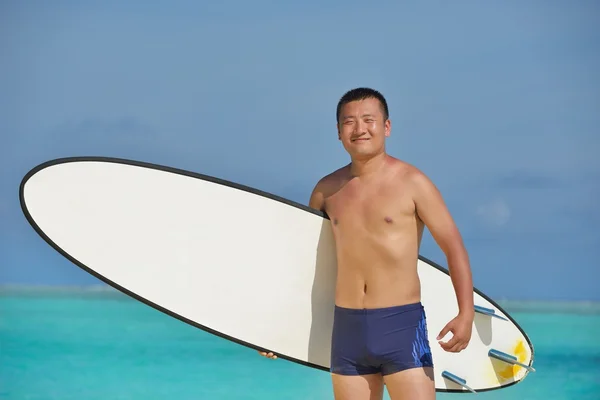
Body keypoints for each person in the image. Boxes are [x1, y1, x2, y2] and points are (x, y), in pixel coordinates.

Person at [259, 87, 474, 400]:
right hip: (347, 331)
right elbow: (309, 267)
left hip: (400, 326)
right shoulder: (327, 190)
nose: (359, 129)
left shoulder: (413, 183)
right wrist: (280, 331)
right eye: (349, 122)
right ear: (338, 132)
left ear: (386, 127)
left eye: (369, 120)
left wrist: (465, 313)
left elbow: (454, 247)